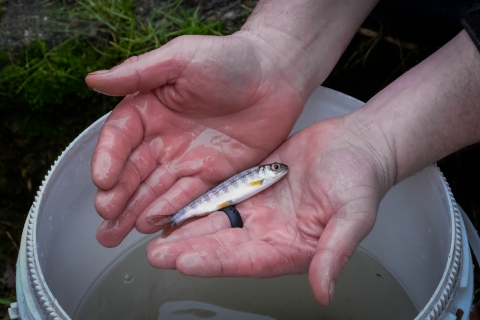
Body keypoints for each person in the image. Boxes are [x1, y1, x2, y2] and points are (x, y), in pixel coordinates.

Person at [85, 0, 480, 306]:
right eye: (274, 170)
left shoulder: (268, 174)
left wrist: (381, 142)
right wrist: (277, 49)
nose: (275, 171)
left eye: (274, 170)